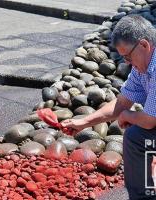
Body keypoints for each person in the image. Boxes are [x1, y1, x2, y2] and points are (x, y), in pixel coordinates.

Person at [61, 15, 156, 200]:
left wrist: (129, 115)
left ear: (144, 45)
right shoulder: (142, 67)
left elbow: (150, 120)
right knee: (138, 135)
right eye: (123, 57)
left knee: (137, 136)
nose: (126, 62)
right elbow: (121, 103)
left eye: (128, 55)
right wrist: (84, 122)